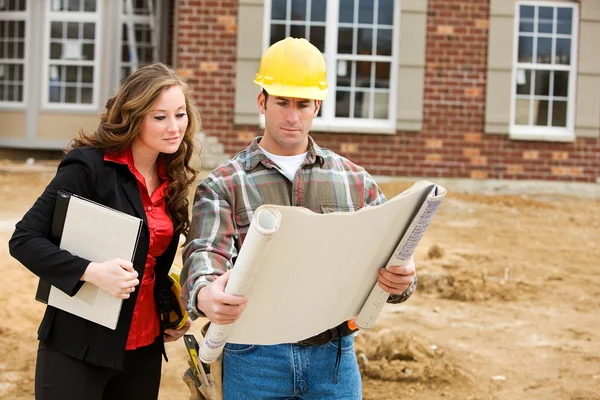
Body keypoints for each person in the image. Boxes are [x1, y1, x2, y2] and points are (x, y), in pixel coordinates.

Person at [181, 37, 417, 399]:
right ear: (262, 101)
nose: (292, 116)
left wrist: (402, 278)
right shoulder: (224, 184)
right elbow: (204, 256)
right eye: (282, 102)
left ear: (316, 106)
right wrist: (205, 292)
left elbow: (393, 256)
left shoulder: (354, 181)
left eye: (303, 104)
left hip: (334, 360)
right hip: (253, 358)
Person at [9, 62, 199, 400]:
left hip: (144, 347)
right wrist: (92, 272)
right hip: (78, 344)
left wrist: (168, 306)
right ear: (134, 114)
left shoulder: (171, 174)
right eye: (160, 117)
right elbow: (24, 239)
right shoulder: (89, 166)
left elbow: (150, 254)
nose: (174, 127)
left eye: (180, 114)